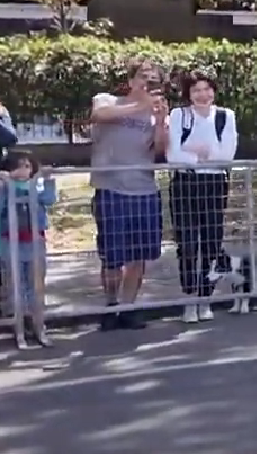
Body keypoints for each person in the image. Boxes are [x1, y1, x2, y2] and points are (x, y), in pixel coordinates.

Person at [88, 61, 171, 329]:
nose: (148, 83)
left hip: (144, 190)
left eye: (154, 80)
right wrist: (141, 105)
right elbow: (99, 116)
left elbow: (160, 151)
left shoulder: (156, 113)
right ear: (131, 80)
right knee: (112, 256)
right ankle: (111, 304)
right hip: (111, 188)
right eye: (143, 77)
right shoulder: (107, 100)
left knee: (139, 255)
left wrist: (160, 122)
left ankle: (128, 307)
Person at [164, 70, 238, 322]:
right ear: (188, 94)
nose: (202, 95)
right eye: (196, 90)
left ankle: (206, 298)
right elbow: (173, 155)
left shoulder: (225, 116)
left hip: (214, 183)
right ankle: (189, 299)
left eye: (207, 89)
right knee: (186, 246)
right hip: (185, 183)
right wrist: (198, 156)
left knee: (211, 244)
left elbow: (226, 156)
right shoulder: (179, 115)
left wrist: (196, 152)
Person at [0, 150, 58, 346]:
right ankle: (19, 329)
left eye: (27, 166)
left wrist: (47, 180)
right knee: (15, 286)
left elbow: (49, 199)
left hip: (35, 242)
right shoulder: (4, 188)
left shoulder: (35, 187)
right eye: (16, 167)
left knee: (36, 286)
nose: (21, 171)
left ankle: (39, 326)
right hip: (10, 242)